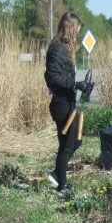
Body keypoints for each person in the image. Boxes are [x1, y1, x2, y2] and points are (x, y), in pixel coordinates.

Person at [44, 12, 93, 196]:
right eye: (77, 29)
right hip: (61, 103)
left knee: (75, 141)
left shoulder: (64, 47)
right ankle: (61, 185)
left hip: (68, 100)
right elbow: (53, 76)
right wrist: (75, 84)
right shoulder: (57, 48)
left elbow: (64, 75)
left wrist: (82, 86)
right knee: (68, 145)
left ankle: (58, 175)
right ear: (71, 27)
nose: (78, 33)